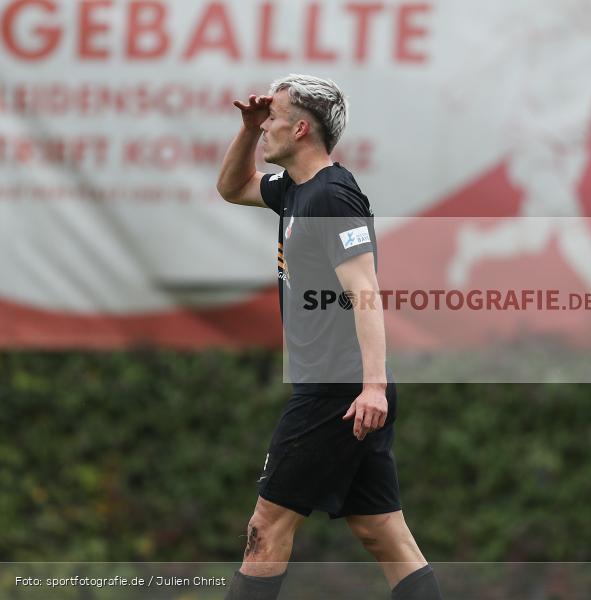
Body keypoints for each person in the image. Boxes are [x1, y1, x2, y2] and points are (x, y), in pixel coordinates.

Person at [216, 74, 441, 600]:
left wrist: (372, 387)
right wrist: (247, 129)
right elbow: (232, 188)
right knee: (382, 533)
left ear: (300, 129)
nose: (265, 126)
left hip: (338, 392)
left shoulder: (331, 196)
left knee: (265, 528)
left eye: (273, 118)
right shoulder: (296, 189)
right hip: (346, 389)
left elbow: (366, 291)